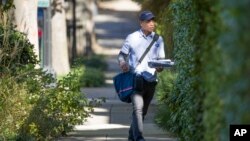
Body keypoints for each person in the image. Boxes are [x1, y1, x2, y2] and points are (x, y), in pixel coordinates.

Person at [117, 11, 165, 141]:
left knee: (142, 112)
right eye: (148, 21)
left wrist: (160, 67)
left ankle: (131, 136)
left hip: (151, 80)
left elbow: (161, 61)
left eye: (153, 21)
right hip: (135, 80)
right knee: (138, 109)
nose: (152, 23)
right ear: (141, 23)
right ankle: (139, 138)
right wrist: (122, 62)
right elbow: (122, 55)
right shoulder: (132, 37)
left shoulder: (158, 39)